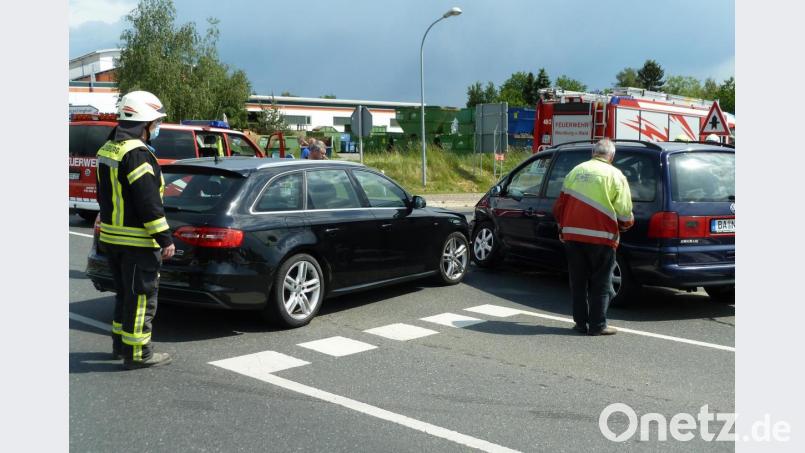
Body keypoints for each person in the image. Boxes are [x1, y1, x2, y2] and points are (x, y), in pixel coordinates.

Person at [96, 90, 175, 369]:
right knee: (141, 299)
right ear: (144, 123)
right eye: (156, 123)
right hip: (138, 243)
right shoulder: (138, 154)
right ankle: (139, 353)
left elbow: (104, 195)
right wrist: (164, 238)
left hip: (112, 238)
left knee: (124, 296)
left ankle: (120, 347)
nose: (157, 128)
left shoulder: (108, 149)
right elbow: (148, 202)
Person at [552, 138, 634, 336]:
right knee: (601, 283)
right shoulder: (616, 175)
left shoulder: (575, 171)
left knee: (578, 283)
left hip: (573, 237)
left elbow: (559, 207)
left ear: (593, 153)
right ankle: (598, 325)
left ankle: (580, 323)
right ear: (611, 156)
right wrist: (626, 224)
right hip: (602, 238)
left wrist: (562, 228)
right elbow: (624, 212)